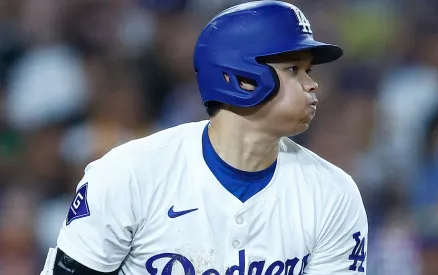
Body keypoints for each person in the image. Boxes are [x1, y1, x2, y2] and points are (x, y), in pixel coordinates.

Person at [41, 1, 368, 274]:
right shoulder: (129, 174)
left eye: (308, 71)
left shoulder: (333, 193)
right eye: (294, 70)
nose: (312, 85)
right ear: (241, 78)